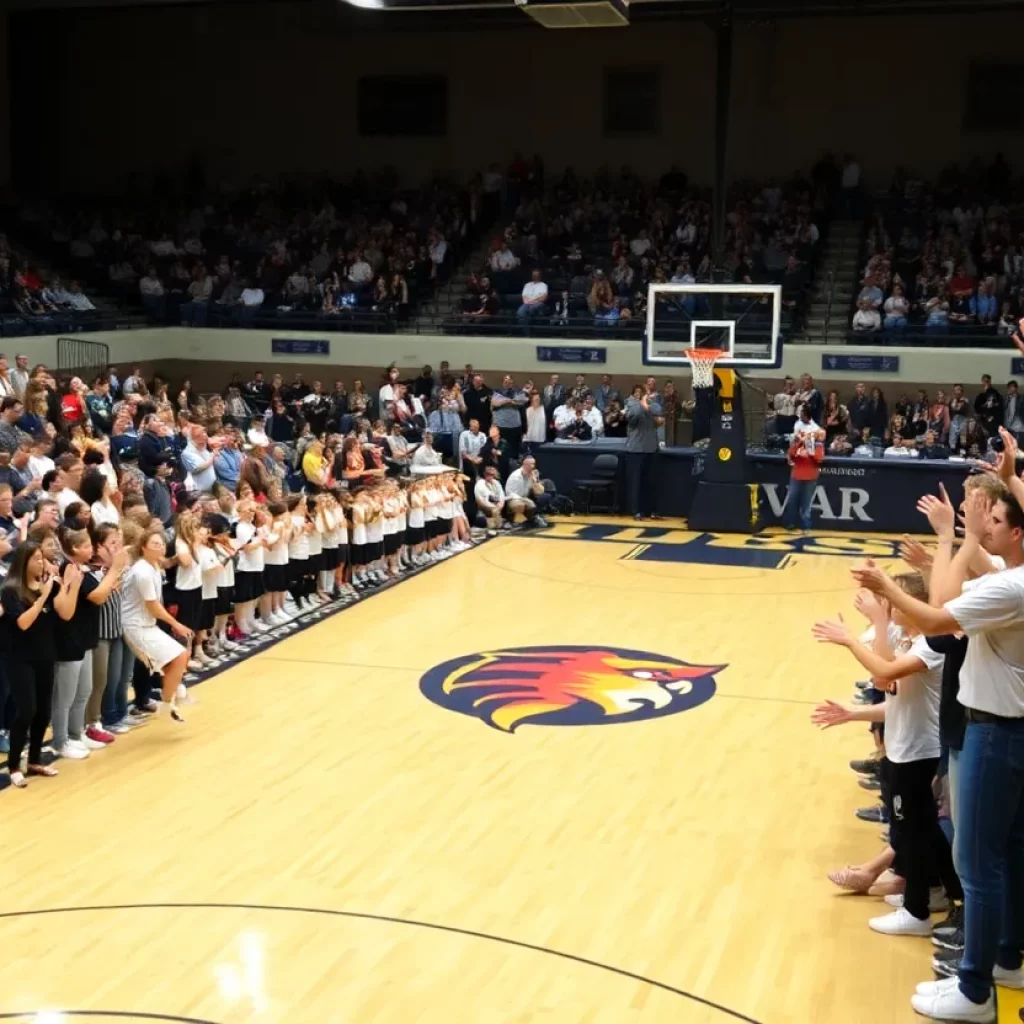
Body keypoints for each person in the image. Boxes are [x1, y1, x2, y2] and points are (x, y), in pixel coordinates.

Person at [852, 474, 1024, 1023]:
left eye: (996, 519)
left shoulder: (1013, 586)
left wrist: (891, 584)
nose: (987, 524)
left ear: (1017, 533)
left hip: (996, 731)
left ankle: (974, 992)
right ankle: (1005, 959)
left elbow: (936, 613)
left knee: (977, 863)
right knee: (1009, 856)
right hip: (1001, 728)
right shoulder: (1011, 578)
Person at [811, 575, 963, 937]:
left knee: (913, 832)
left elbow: (882, 679)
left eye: (896, 602)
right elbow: (894, 701)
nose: (891, 608)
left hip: (918, 752)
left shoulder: (931, 646)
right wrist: (853, 713)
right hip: (904, 748)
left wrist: (860, 633)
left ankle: (917, 911)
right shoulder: (909, 639)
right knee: (922, 830)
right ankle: (949, 894)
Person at [1, 541, 76, 787]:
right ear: (24, 561)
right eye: (36, 558)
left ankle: (34, 760)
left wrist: (66, 586)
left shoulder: (47, 586)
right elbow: (23, 623)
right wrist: (43, 596)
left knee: (44, 711)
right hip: (20, 658)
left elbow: (65, 614)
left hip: (45, 654)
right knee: (26, 710)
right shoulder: (10, 590)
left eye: (42, 558)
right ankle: (13, 765)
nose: (41, 562)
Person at [120, 527, 192, 722]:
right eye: (154, 544)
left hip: (147, 624)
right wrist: (176, 624)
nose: (160, 547)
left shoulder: (154, 567)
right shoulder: (142, 572)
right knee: (177, 657)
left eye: (161, 543)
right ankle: (168, 703)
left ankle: (173, 695)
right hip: (135, 626)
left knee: (180, 656)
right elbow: (152, 605)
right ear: (143, 548)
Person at [625, 380, 663, 522]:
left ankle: (651, 510)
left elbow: (659, 412)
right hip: (636, 449)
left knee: (651, 481)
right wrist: (643, 405)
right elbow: (632, 417)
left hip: (651, 448)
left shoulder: (652, 405)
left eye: (646, 393)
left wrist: (648, 406)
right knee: (636, 482)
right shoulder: (631, 405)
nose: (645, 395)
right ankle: (636, 511)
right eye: (640, 393)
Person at [782, 423, 824, 532]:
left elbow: (819, 459)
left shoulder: (818, 445)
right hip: (796, 475)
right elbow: (791, 454)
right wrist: (798, 446)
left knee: (806, 503)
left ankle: (806, 526)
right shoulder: (798, 443)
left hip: (810, 477)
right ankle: (790, 524)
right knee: (792, 500)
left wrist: (809, 452)